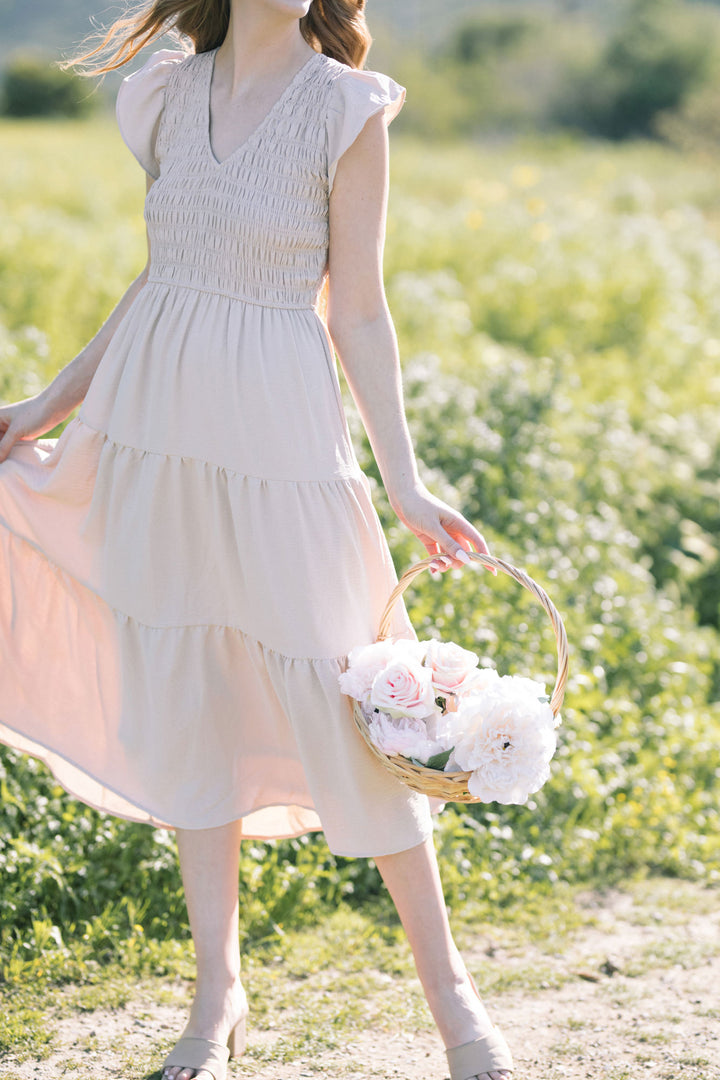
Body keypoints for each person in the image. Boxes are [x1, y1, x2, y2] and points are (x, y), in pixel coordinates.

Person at [0, 2, 513, 1078]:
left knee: (345, 700)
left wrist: (405, 480)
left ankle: (456, 1004)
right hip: (152, 431)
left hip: (282, 440)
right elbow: (159, 277)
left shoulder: (348, 110)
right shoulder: (165, 94)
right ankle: (215, 998)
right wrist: (46, 405)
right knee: (189, 699)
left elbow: (359, 310)